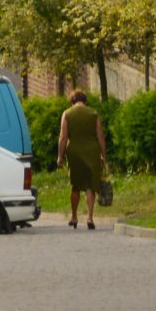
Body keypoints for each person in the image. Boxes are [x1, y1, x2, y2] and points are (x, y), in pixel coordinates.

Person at [58, 88, 109, 230]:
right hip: (92, 152)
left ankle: (74, 217)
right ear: (85, 100)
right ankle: (90, 217)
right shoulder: (93, 113)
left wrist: (60, 156)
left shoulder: (67, 114)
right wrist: (103, 155)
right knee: (90, 185)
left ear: (72, 100)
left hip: (74, 152)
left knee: (75, 186)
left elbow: (63, 137)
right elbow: (100, 136)